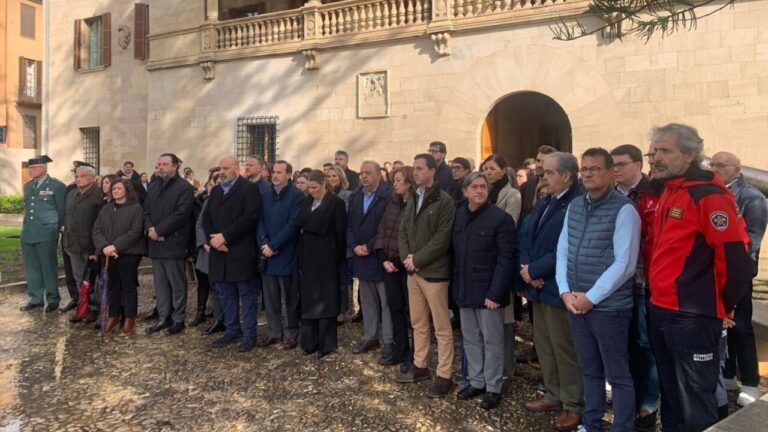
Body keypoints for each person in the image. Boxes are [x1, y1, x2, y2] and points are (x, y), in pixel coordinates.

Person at [647, 124, 752, 431]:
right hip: (661, 309)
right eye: (653, 151)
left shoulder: (708, 196)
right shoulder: (670, 190)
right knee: (671, 395)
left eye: (665, 150)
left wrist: (724, 305)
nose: (655, 158)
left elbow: (736, 261)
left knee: (696, 402)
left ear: (690, 154)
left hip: (692, 316)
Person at [556, 148, 641, 432]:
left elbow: (625, 264)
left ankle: (622, 427)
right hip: (575, 303)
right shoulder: (576, 206)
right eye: (585, 169)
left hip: (608, 308)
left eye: (595, 169)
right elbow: (563, 250)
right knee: (590, 370)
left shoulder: (624, 210)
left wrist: (591, 298)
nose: (589, 174)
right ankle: (591, 424)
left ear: (608, 172)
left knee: (618, 375)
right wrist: (565, 291)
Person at [520, 152, 585, 431]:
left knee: (563, 347)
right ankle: (553, 393)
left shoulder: (577, 203)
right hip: (536, 284)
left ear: (566, 176)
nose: (542, 177)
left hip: (557, 287)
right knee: (544, 344)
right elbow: (526, 234)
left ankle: (573, 404)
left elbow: (567, 246)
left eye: (548, 173)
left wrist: (536, 271)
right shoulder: (547, 200)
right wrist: (526, 268)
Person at [709, 151, 768, 407]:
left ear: (737, 168)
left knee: (742, 326)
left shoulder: (752, 197)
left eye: (720, 165)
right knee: (725, 328)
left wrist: (737, 269)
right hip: (715, 271)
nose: (715, 168)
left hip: (739, 272)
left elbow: (752, 241)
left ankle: (752, 382)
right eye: (712, 164)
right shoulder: (712, 192)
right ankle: (729, 374)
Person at [453, 172, 516, 410]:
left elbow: (506, 258)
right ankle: (476, 381)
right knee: (470, 338)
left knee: (492, 340)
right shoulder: (459, 215)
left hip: (489, 291)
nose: (480, 191)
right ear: (465, 191)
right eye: (475, 187)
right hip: (465, 288)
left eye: (483, 187)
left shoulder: (500, 219)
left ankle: (493, 386)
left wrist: (496, 293)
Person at [610, 144, 663, 429]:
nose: (615, 169)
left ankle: (648, 404)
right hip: (615, 283)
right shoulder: (610, 195)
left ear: (637, 165)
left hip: (645, 282)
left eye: (621, 164)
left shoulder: (654, 192)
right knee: (622, 344)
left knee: (645, 345)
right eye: (613, 164)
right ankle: (626, 404)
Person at [396, 153, 456, 398]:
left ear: (432, 171)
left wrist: (417, 259)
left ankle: (444, 375)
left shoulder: (445, 201)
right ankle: (420, 365)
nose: (416, 172)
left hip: (434, 274)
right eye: (416, 168)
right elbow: (403, 230)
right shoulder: (413, 198)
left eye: (420, 168)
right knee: (418, 323)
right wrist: (406, 259)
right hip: (414, 272)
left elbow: (442, 238)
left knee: (441, 327)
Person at [203, 157, 262, 352]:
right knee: (225, 294)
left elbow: (250, 217)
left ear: (237, 169)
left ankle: (249, 334)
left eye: (226, 168)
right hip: (219, 252)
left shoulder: (249, 189)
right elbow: (206, 217)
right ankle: (231, 329)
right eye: (220, 168)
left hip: (240, 251)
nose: (222, 171)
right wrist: (215, 240)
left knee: (246, 295)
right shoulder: (217, 191)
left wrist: (225, 237)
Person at [296, 170, 348, 358]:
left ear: (324, 185)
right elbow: (299, 221)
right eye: (309, 188)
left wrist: (338, 257)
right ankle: (310, 342)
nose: (312, 191)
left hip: (327, 255)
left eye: (315, 188)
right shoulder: (307, 201)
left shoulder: (336, 203)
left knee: (326, 299)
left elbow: (341, 232)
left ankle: (326, 344)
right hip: (308, 255)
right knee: (309, 298)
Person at [144, 153, 195, 336]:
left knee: (176, 283)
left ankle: (178, 318)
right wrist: (151, 229)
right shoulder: (154, 186)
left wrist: (160, 231)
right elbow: (147, 211)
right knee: (160, 284)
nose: (161, 167)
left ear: (175, 166)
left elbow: (181, 214)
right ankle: (163, 317)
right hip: (156, 243)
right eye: (158, 164)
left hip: (174, 242)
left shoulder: (184, 187)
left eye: (165, 164)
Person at [347, 161, 393, 360]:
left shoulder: (388, 195)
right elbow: (348, 225)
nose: (363, 177)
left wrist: (371, 245)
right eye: (361, 173)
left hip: (380, 255)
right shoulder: (356, 196)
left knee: (386, 302)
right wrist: (354, 245)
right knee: (367, 300)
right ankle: (370, 336)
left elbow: (388, 225)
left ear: (378, 175)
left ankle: (390, 341)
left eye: (368, 173)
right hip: (361, 256)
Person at [257, 160, 305, 350]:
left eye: (279, 172)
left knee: (289, 297)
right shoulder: (265, 194)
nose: (275, 175)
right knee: (269, 297)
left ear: (288, 175)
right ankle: (274, 332)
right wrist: (263, 242)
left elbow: (293, 224)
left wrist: (274, 244)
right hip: (267, 254)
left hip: (286, 253)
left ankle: (291, 333)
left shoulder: (296, 195)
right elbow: (259, 221)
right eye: (273, 172)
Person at [482, 154, 522, 378]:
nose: (488, 172)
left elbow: (510, 224)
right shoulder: (486, 193)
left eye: (492, 168)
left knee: (504, 315)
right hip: (484, 260)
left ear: (503, 170)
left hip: (500, 257)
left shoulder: (512, 194)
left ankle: (507, 365)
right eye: (485, 168)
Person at [91, 179, 146, 336]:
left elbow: (135, 231)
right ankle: (113, 316)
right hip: (108, 253)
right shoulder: (107, 208)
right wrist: (105, 247)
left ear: (127, 190)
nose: (115, 191)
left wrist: (115, 246)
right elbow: (97, 229)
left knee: (128, 286)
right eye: (113, 188)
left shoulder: (135, 208)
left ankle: (129, 318)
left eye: (119, 188)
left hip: (129, 253)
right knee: (112, 286)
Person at [375, 166, 415, 371]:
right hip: (389, 265)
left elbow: (412, 238)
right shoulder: (392, 203)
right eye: (394, 180)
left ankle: (415, 355)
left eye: (398, 180)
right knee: (395, 309)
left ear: (408, 182)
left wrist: (398, 261)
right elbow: (382, 229)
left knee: (413, 313)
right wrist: (383, 258)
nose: (395, 184)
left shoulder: (416, 205)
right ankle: (399, 349)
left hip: (406, 267)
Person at [19, 156, 67, 313]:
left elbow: (62, 210)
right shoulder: (28, 186)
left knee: (48, 267)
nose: (30, 170)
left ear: (43, 168)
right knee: (31, 268)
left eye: (33, 168)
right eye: (29, 168)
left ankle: (53, 299)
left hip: (47, 232)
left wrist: (58, 228)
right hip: (29, 232)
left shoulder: (56, 186)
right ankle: (36, 298)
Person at [63, 165, 104, 314]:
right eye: (76, 176)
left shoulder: (99, 196)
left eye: (82, 176)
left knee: (93, 279)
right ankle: (84, 307)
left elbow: (98, 224)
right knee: (79, 279)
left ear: (92, 178)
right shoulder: (72, 194)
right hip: (72, 244)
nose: (78, 179)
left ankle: (95, 309)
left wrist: (96, 248)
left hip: (89, 246)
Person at [194, 169, 225, 333]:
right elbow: (200, 224)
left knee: (221, 288)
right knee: (208, 285)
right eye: (214, 183)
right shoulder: (208, 201)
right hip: (208, 250)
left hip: (223, 248)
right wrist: (205, 244)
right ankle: (216, 318)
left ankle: (222, 318)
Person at [520, 145, 557, 222]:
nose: (539, 165)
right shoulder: (526, 186)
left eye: (544, 162)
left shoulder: (556, 188)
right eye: (538, 160)